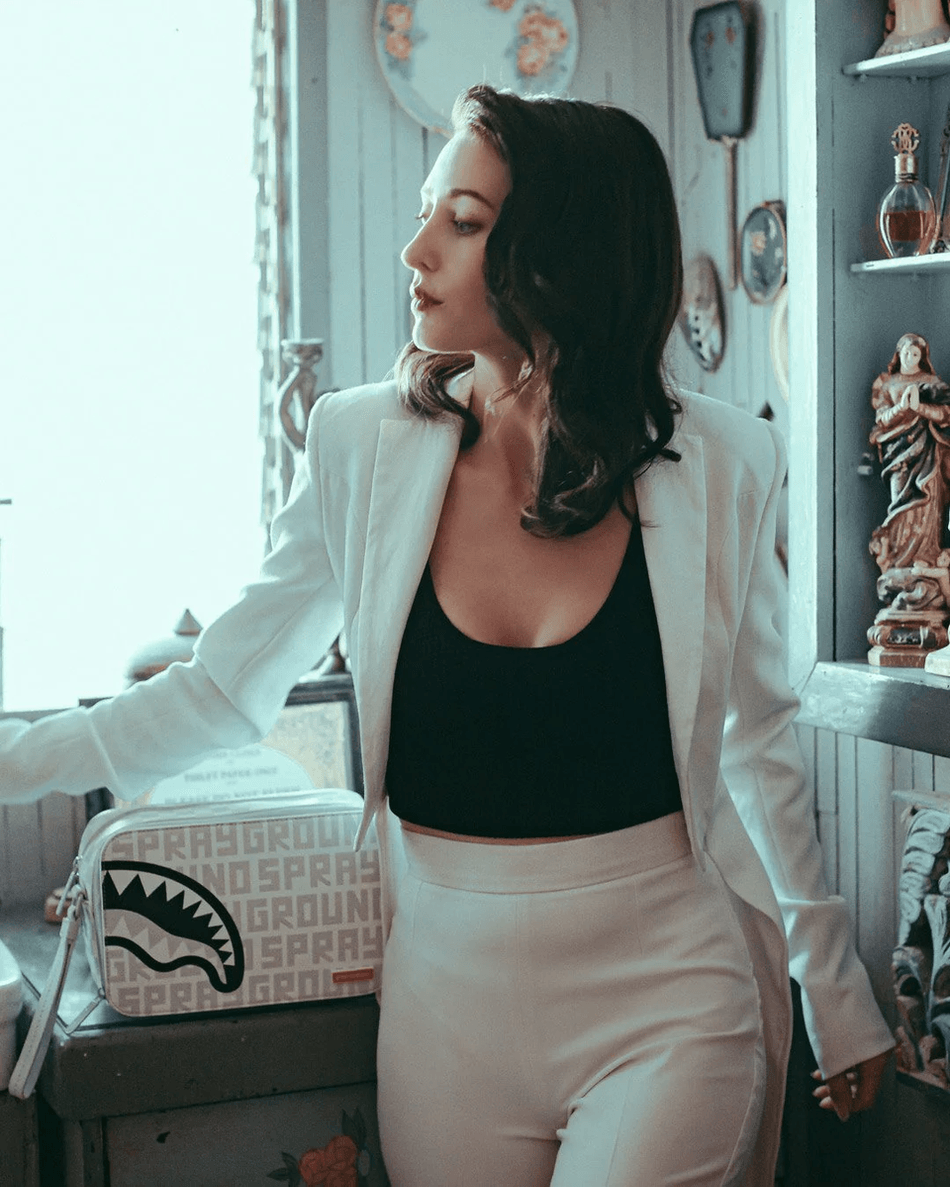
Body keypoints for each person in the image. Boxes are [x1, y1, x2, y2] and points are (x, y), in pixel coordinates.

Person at [1, 85, 893, 1185]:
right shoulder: (358, 446)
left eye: (462, 222)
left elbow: (754, 743)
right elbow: (219, 691)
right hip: (444, 1009)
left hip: (668, 993)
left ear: (561, 254)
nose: (416, 249)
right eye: (428, 210)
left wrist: (833, 989)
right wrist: (12, 760)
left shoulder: (720, 461)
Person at [870, 331, 950, 572]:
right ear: (899, 354)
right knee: (901, 504)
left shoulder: (932, 382)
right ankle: (899, 563)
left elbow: (946, 414)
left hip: (927, 451)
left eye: (916, 354)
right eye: (907, 353)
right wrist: (903, 407)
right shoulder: (888, 384)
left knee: (928, 501)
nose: (911, 358)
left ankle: (926, 557)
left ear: (922, 357)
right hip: (899, 452)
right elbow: (882, 419)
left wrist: (920, 408)